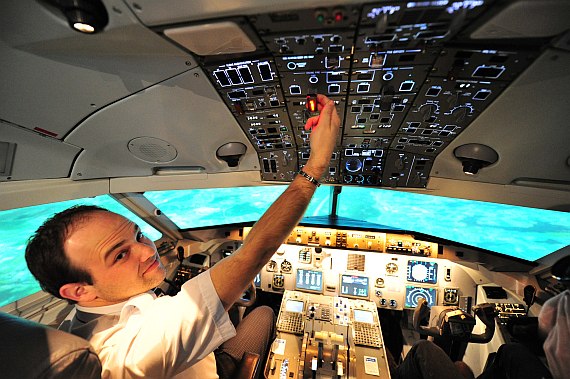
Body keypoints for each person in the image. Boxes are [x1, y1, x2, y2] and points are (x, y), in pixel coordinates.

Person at [25, 94, 341, 379]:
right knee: (263, 312)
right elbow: (251, 255)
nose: (147, 251)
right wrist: (317, 164)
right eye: (120, 255)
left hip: (188, 357)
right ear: (79, 290)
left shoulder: (73, 328)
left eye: (137, 234)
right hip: (214, 369)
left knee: (228, 306)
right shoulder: (132, 355)